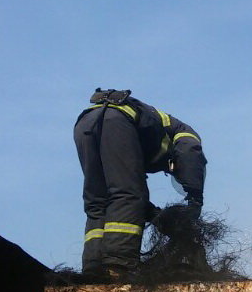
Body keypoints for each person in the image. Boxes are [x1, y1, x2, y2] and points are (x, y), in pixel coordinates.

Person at [73, 89, 206, 279]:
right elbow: (191, 156)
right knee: (129, 195)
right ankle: (118, 266)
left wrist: (155, 216)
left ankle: (93, 266)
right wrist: (195, 198)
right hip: (118, 121)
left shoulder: (145, 135)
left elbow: (126, 187)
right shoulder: (184, 133)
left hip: (85, 123)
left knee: (98, 200)